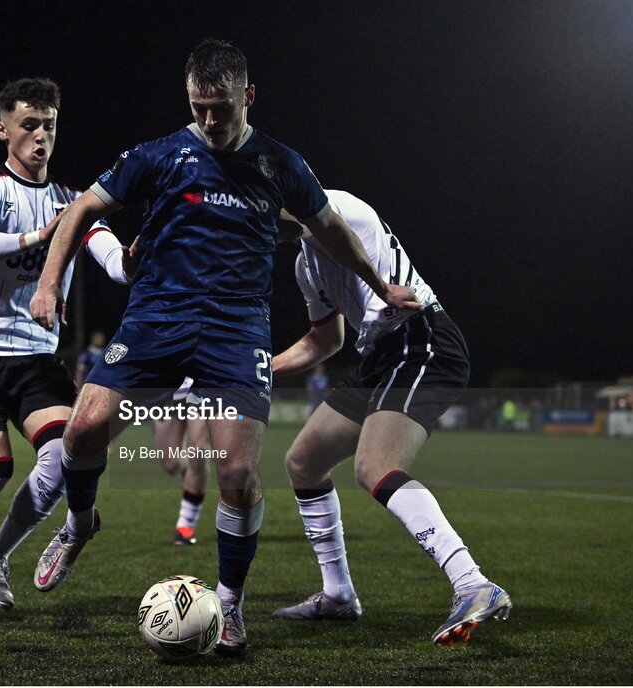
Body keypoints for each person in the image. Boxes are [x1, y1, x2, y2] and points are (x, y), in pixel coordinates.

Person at [28, 40, 419, 655]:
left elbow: (332, 229)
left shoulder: (281, 164)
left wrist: (379, 286)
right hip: (157, 318)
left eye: (222, 108)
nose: (210, 121)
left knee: (237, 472)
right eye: (199, 107)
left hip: (236, 331)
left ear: (248, 97)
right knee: (82, 432)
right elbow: (82, 208)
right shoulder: (157, 156)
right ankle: (79, 525)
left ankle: (230, 607)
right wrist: (50, 282)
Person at [0, 77, 135, 615]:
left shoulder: (73, 203)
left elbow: (113, 264)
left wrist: (134, 256)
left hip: (36, 352)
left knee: (61, 460)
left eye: (49, 127)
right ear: (3, 129)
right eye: (29, 125)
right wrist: (45, 235)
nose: (40, 136)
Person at [270, 189, 511, 646]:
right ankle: (339, 595)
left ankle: (472, 582)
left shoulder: (337, 206)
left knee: (375, 467)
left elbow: (295, 216)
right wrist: (260, 366)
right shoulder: (305, 265)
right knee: (303, 461)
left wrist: (242, 213)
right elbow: (324, 342)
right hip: (380, 355)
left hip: (420, 339)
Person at [155, 377, 211, 546]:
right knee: (171, 464)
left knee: (198, 450)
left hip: (202, 381)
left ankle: (186, 525)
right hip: (171, 382)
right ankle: (192, 473)